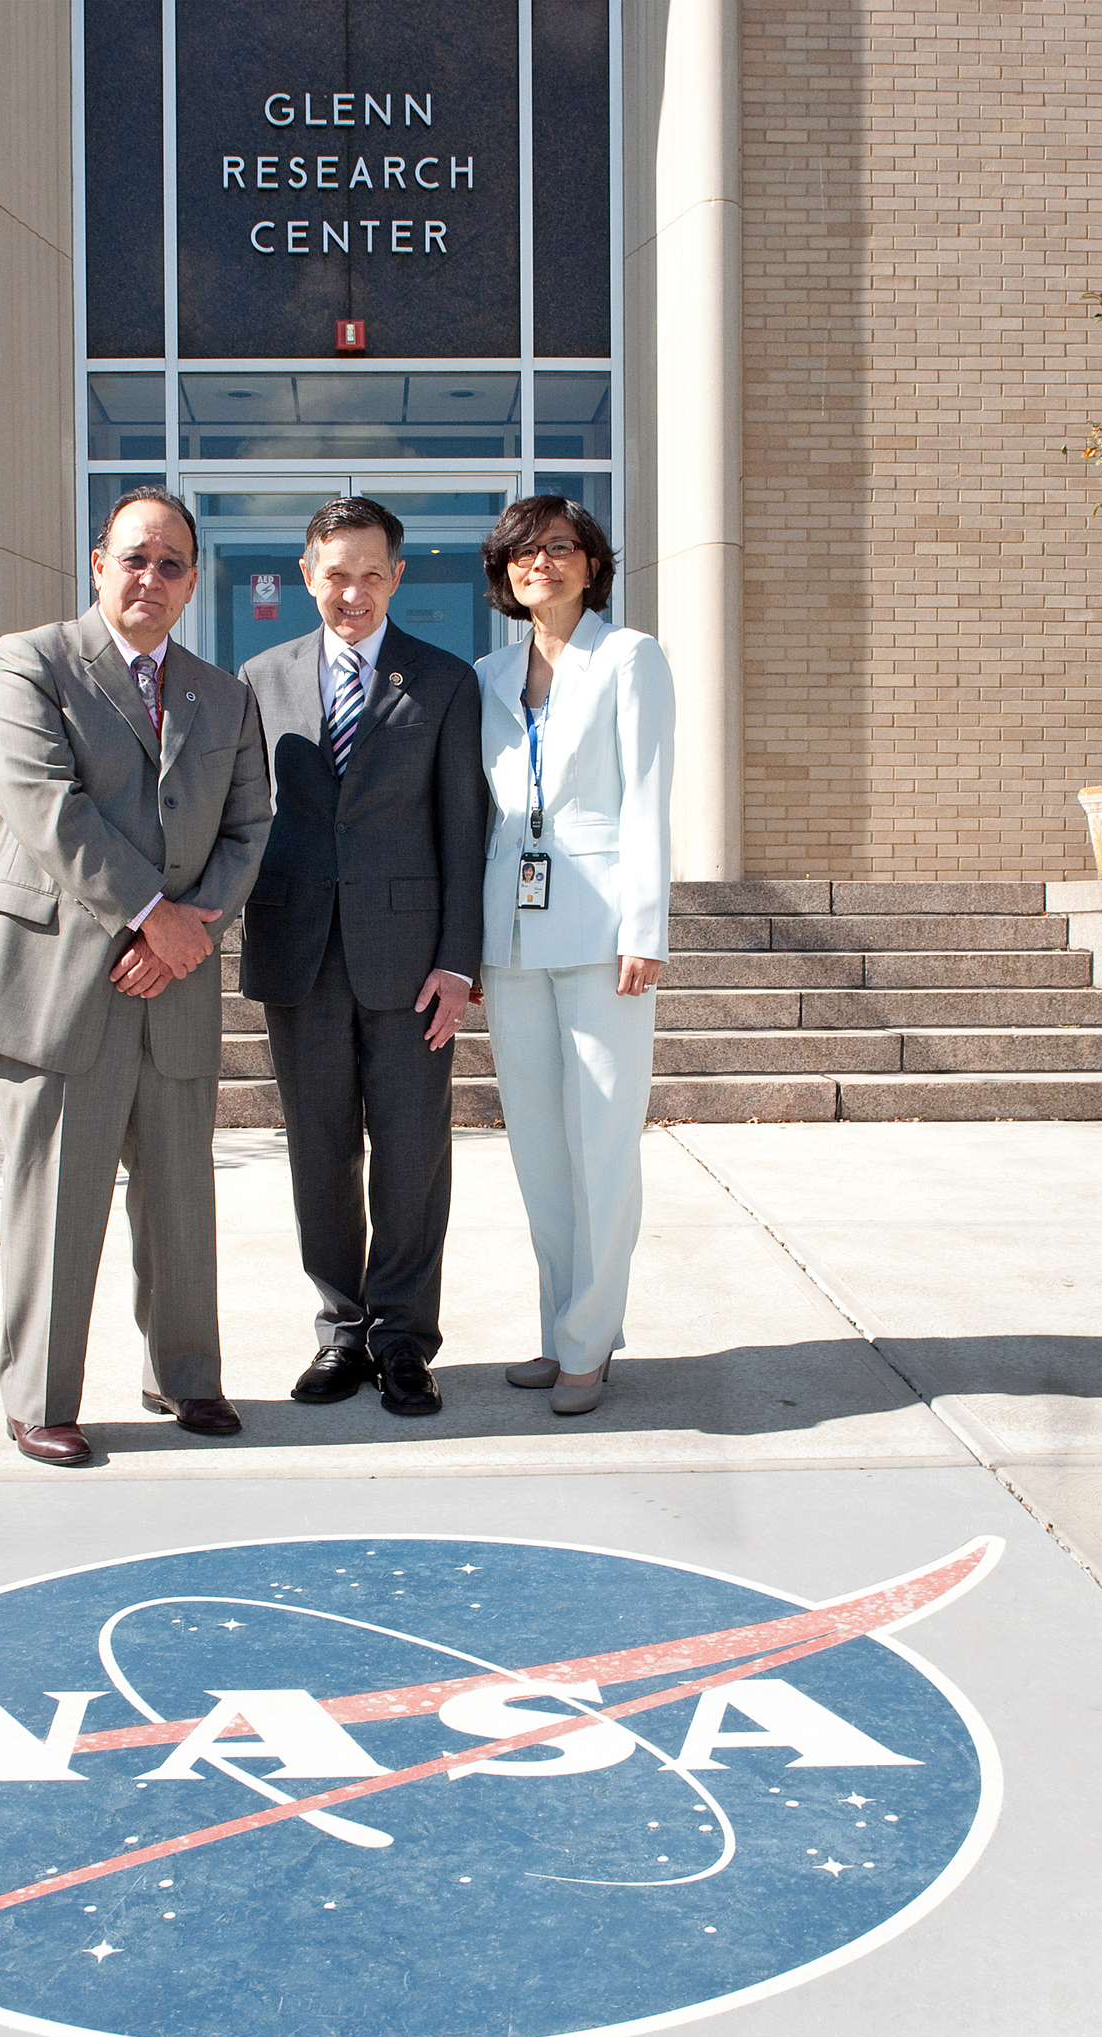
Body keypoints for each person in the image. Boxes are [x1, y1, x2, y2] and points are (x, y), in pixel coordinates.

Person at [0, 488, 271, 1466]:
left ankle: (186, 1377)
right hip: (55, 981)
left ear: (193, 582)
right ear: (97, 564)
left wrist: (190, 928)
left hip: (175, 982)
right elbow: (45, 804)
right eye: (134, 558)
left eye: (171, 564)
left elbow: (250, 826)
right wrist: (150, 913)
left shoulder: (225, 694)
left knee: (179, 1197)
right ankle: (39, 1398)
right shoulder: (30, 663)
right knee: (57, 1198)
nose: (150, 578)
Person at [239, 496, 488, 1419]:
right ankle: (341, 1333)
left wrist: (459, 962)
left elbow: (465, 830)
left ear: (398, 577)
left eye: (371, 573)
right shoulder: (258, 677)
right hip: (297, 950)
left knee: (414, 1153)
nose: (353, 591)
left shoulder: (444, 682)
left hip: (413, 960)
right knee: (320, 1152)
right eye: (335, 574)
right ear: (307, 576)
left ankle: (405, 1341)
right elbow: (237, 817)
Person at [474, 495, 674, 1416]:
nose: (541, 564)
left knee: (601, 1143)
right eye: (524, 552)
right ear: (505, 572)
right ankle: (561, 1332)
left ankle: (591, 1343)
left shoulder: (630, 658)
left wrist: (645, 928)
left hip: (602, 937)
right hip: (510, 933)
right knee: (541, 1151)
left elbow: (647, 801)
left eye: (561, 548)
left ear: (592, 564)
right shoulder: (487, 675)